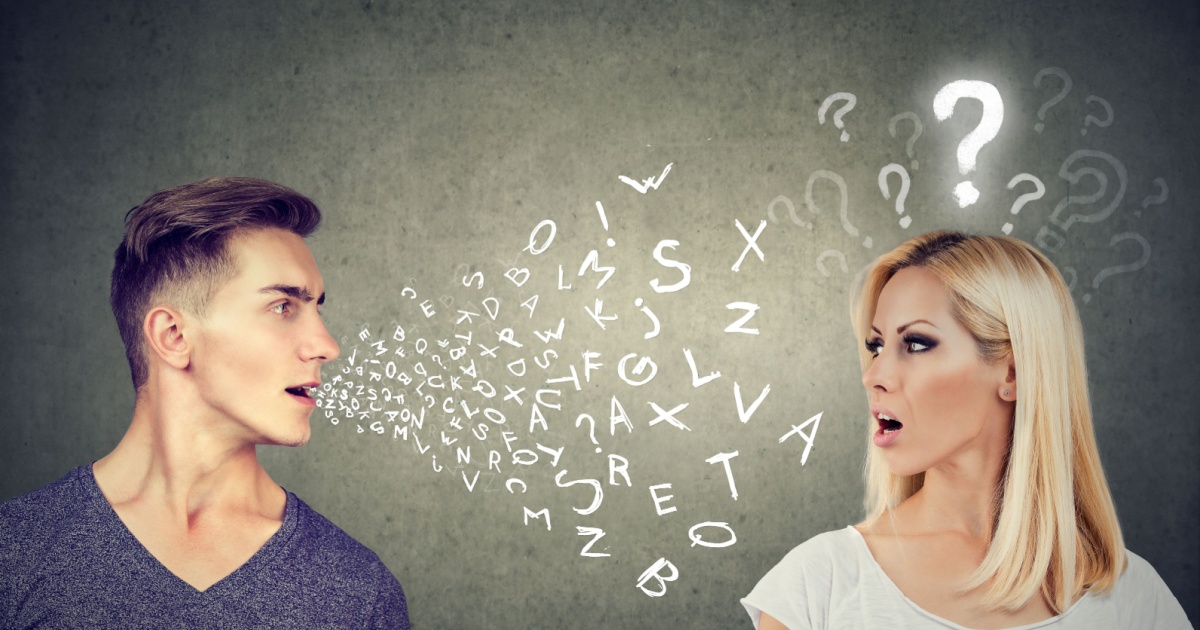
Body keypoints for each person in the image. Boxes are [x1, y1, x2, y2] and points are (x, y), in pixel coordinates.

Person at [0, 177, 411, 628]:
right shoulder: (15, 554)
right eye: (283, 307)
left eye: (318, 309)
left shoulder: (358, 591)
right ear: (174, 336)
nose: (327, 346)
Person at [742, 230, 1191, 629]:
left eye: (916, 343)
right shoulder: (817, 587)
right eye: (876, 346)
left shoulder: (1131, 597)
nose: (873, 375)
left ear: (1013, 372)